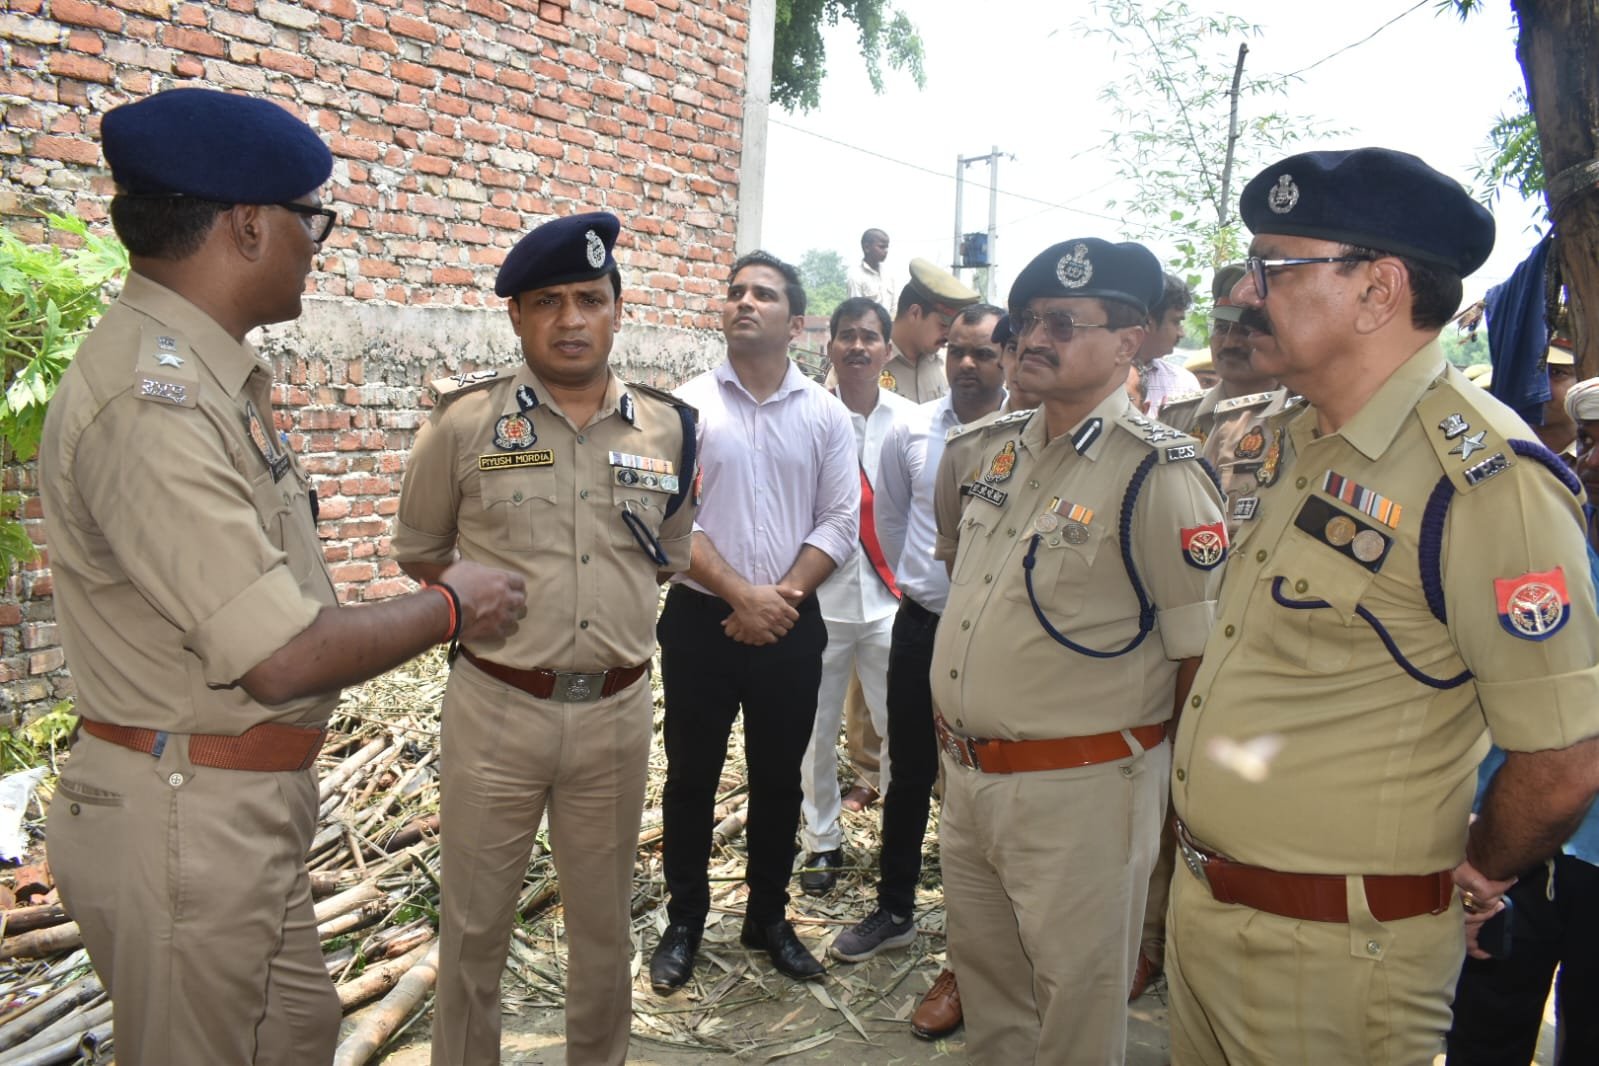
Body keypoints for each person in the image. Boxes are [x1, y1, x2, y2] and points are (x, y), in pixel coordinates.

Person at [38, 88, 525, 1066]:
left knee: (298, 1033)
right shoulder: (154, 401)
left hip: (232, 811)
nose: (319, 245)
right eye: (313, 221)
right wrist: (449, 604)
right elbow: (279, 656)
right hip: (185, 821)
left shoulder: (208, 379)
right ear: (248, 227)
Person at [1167, 147, 1599, 1065]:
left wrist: (1478, 868)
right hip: (1210, 916)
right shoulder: (1292, 438)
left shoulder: (1484, 482)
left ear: (1378, 290)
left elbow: (1562, 758)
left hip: (1335, 957)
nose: (1246, 292)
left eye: (1275, 267)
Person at [392, 212, 696, 1066]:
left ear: (616, 311)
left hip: (615, 713)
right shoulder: (463, 425)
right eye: (548, 302)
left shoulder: (667, 429)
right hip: (497, 709)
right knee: (476, 925)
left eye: (589, 300)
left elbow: (668, 554)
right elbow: (421, 550)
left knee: (604, 926)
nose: (571, 319)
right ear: (517, 317)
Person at [930, 238, 1226, 1063]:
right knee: (991, 991)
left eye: (1064, 322)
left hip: (1082, 791)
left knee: (1074, 1004)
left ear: (1128, 343)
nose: (1033, 338)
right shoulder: (988, 452)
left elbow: (1198, 660)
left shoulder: (1156, 476)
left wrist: (1170, 799)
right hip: (969, 779)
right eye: (1027, 321)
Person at [649, 251, 859, 993]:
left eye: (763, 295)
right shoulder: (683, 406)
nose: (743, 302)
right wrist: (741, 595)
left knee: (778, 777)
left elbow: (839, 519)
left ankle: (768, 917)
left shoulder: (826, 416)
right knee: (690, 777)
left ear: (795, 322)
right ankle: (684, 921)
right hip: (701, 622)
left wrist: (779, 600)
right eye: (734, 291)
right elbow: (670, 520)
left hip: (791, 625)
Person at [827, 303, 1007, 1043]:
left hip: (997, 637)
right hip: (923, 623)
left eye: (983, 354)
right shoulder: (909, 431)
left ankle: (984, 944)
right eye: (957, 351)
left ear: (1007, 358)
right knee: (908, 773)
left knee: (987, 780)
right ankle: (896, 909)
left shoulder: (1026, 436)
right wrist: (925, 591)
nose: (967, 365)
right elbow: (898, 524)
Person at [1128, 263, 1293, 1002]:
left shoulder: (1298, 420)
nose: (1229, 340)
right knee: (1163, 803)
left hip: (1263, 657)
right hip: (1179, 648)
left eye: (1246, 326)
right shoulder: (1180, 420)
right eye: (1220, 326)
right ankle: (1150, 940)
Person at [798, 297, 917, 896]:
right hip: (817, 600)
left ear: (887, 349)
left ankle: (900, 843)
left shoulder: (912, 420)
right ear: (830, 345)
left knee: (899, 725)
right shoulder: (807, 415)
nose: (858, 346)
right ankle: (821, 842)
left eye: (870, 336)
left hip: (891, 601)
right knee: (813, 730)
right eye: (847, 335)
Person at [878, 259, 981, 403]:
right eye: (943, 325)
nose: (948, 335)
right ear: (915, 313)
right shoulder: (869, 361)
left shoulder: (947, 363)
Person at [1133, 270, 1201, 416]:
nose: (1182, 333)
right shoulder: (1099, 375)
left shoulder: (1183, 383)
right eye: (1176, 322)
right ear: (1148, 321)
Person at [847, 228, 896, 308]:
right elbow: (856, 311)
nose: (886, 251)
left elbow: (894, 306)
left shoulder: (889, 275)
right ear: (867, 248)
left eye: (887, 247)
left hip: (889, 320)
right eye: (881, 247)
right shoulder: (856, 277)